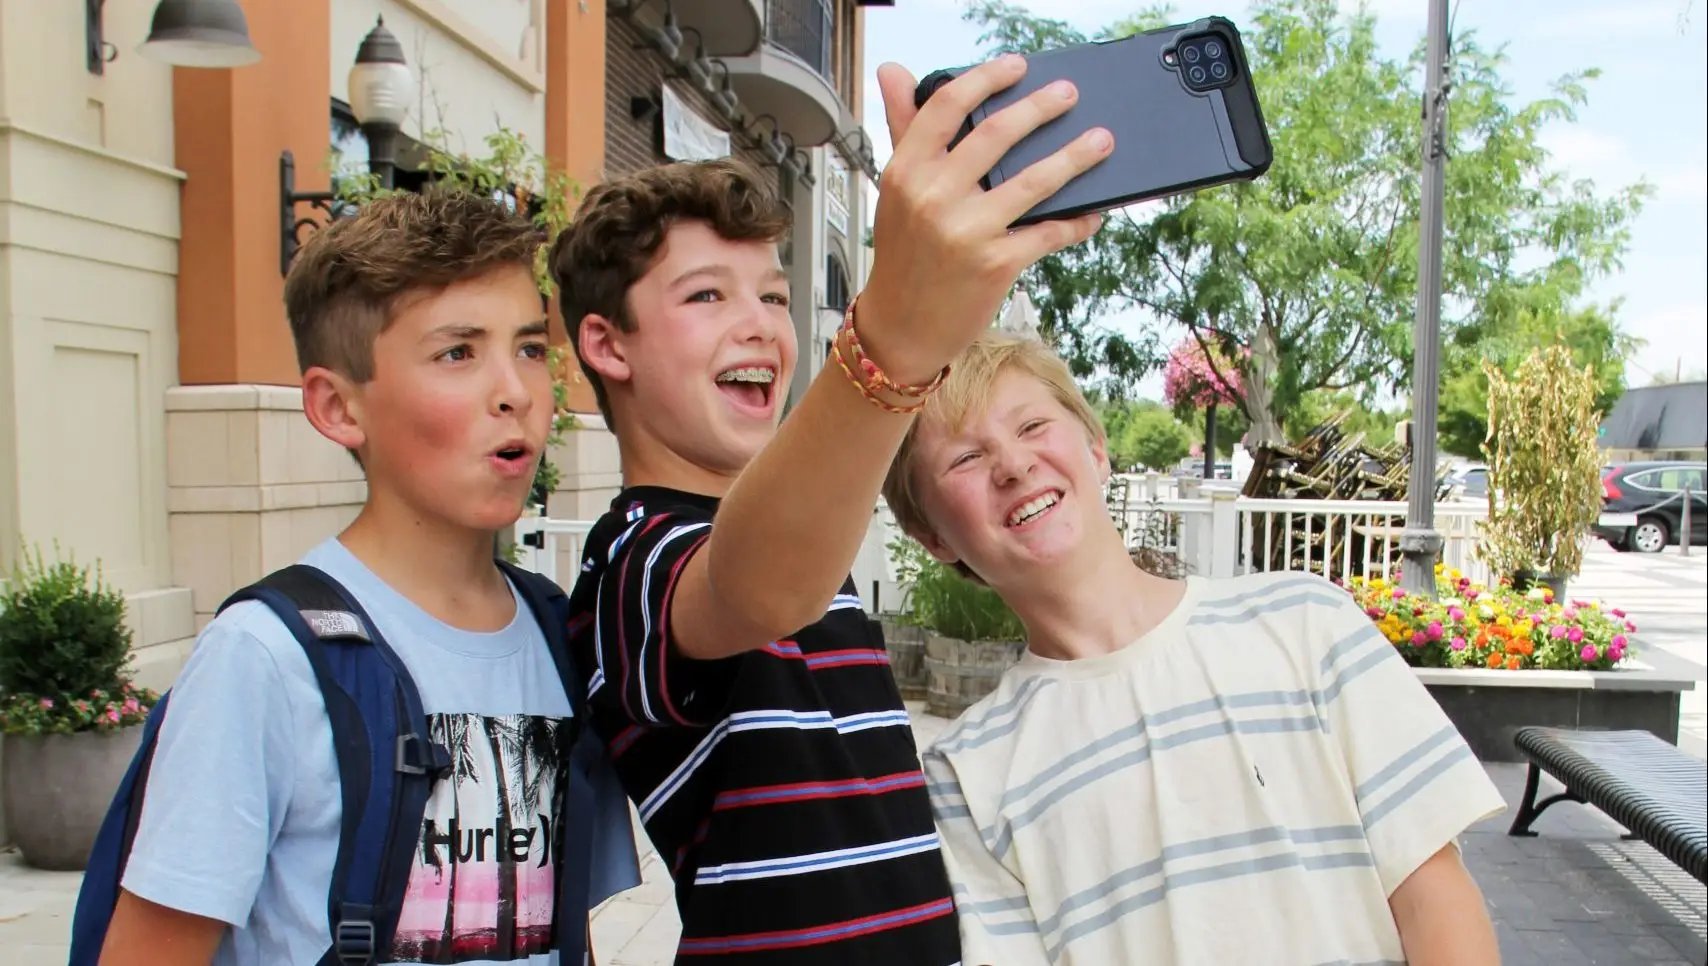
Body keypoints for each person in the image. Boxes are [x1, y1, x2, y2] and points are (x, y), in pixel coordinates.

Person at [547, 57, 1112, 964]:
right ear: (606, 345)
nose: (760, 323)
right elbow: (755, 585)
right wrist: (894, 328)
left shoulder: (799, 545)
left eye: (772, 295)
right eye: (706, 296)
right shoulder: (634, 560)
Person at [97, 189, 638, 966]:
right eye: (458, 352)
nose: (515, 391)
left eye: (526, 348)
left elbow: (556, 934)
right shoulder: (264, 658)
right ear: (338, 408)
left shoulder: (558, 633)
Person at [881, 333, 1506, 966]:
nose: (1013, 465)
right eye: (965, 458)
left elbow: (1436, 899)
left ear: (1096, 450)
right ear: (933, 536)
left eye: (1033, 424)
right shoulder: (968, 772)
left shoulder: (1304, 624)